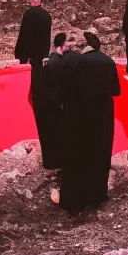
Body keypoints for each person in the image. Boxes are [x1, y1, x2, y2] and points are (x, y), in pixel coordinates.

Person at [58, 32, 120, 213]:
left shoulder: (75, 62)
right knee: (99, 153)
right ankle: (97, 196)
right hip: (102, 116)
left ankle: (73, 200)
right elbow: (116, 91)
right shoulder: (108, 61)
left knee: (78, 153)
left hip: (79, 115)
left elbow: (64, 90)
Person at [38, 33, 77, 170]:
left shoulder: (50, 62)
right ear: (61, 44)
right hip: (57, 103)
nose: (69, 45)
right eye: (67, 42)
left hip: (52, 103)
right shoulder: (58, 62)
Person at [14, 0, 52, 103]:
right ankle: (38, 94)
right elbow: (47, 35)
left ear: (32, 2)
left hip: (29, 49)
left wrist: (20, 52)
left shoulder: (29, 14)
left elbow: (24, 33)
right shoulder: (46, 15)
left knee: (28, 73)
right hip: (41, 51)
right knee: (38, 72)